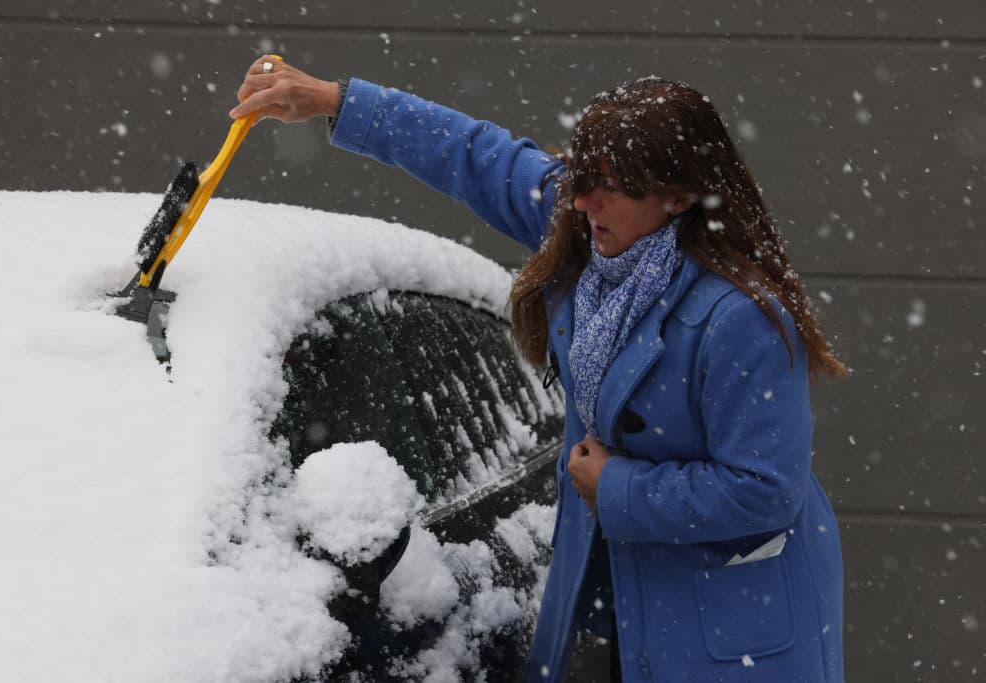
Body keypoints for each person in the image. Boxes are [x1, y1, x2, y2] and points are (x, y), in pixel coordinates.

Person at [231, 56, 848, 683]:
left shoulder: (738, 317)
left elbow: (765, 489)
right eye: (581, 178)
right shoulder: (588, 232)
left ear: (678, 195)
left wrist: (618, 487)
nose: (583, 200)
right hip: (621, 605)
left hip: (725, 630)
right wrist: (337, 100)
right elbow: (476, 155)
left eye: (611, 187)